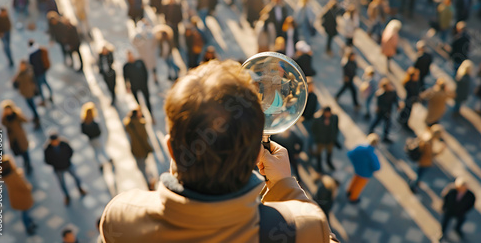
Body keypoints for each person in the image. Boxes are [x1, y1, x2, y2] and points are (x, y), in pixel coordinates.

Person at [100, 60, 337, 242]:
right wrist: (285, 188)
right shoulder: (304, 227)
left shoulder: (121, 217)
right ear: (256, 155)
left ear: (171, 148)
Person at [44, 133, 87, 206]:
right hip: (58, 169)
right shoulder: (47, 149)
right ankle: (67, 196)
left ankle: (80, 188)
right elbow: (47, 160)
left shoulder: (64, 144)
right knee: (62, 183)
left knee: (76, 177)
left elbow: (71, 151)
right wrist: (55, 163)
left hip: (68, 165)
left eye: (56, 140)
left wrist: (66, 158)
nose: (55, 142)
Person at [1, 155, 36, 235]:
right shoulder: (15, 175)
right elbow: (24, 186)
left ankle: (30, 223)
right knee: (25, 212)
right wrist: (29, 187)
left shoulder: (4, 176)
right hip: (22, 196)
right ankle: (28, 226)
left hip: (14, 197)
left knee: (24, 212)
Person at [409, 124, 445, 193]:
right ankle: (413, 185)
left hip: (420, 159)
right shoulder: (429, 142)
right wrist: (441, 150)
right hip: (424, 162)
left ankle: (415, 182)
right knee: (419, 175)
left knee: (418, 172)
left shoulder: (426, 135)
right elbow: (430, 155)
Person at [346, 133, 380, 204]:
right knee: (358, 186)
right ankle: (353, 198)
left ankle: (349, 191)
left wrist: (355, 163)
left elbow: (350, 154)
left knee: (354, 180)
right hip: (366, 173)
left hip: (357, 169)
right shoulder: (372, 155)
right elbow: (377, 167)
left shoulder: (360, 148)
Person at [0, 100, 33, 174]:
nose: (8, 111)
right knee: (20, 151)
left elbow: (25, 120)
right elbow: (3, 123)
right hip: (13, 139)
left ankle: (28, 164)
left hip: (20, 137)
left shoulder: (16, 115)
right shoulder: (5, 118)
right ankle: (25, 162)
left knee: (25, 152)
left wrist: (19, 115)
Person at [124, 107, 154, 184]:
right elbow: (145, 139)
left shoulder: (127, 124)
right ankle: (149, 181)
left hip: (134, 148)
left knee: (141, 166)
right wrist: (149, 148)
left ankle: (148, 179)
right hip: (142, 148)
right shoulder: (140, 125)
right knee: (143, 165)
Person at [81, 102, 112, 171]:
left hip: (91, 140)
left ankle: (100, 164)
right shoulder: (95, 121)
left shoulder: (83, 122)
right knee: (102, 149)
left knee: (96, 152)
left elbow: (83, 131)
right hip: (98, 138)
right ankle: (108, 159)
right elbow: (99, 131)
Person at [123, 51, 154, 118]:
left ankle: (151, 115)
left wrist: (146, 82)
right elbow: (125, 78)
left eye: (131, 56)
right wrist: (127, 87)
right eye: (129, 57)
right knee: (137, 102)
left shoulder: (140, 62)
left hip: (143, 85)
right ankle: (142, 115)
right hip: (134, 86)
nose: (130, 58)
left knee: (147, 100)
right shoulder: (126, 66)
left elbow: (146, 72)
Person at [368, 78, 399, 143]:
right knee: (377, 121)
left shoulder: (393, 92)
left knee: (387, 125)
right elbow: (380, 105)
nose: (391, 86)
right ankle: (370, 130)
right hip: (382, 112)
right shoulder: (380, 95)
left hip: (388, 111)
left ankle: (385, 136)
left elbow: (395, 100)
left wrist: (398, 106)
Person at [12, 60, 41, 129]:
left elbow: (34, 82)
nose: (21, 67)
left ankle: (37, 119)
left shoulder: (28, 73)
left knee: (32, 107)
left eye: (22, 65)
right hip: (25, 93)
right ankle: (35, 117)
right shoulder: (20, 73)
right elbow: (16, 82)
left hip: (29, 93)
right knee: (30, 106)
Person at [312, 107, 339, 172]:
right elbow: (313, 129)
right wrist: (318, 137)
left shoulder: (334, 117)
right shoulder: (317, 119)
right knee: (319, 153)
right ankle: (319, 166)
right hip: (321, 140)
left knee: (329, 152)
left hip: (330, 140)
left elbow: (336, 127)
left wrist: (334, 137)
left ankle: (328, 162)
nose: (328, 115)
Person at [132, 20, 158, 84]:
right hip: (143, 55)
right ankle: (147, 80)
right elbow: (134, 43)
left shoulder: (151, 34)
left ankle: (155, 79)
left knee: (153, 68)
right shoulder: (138, 35)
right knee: (145, 69)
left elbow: (155, 43)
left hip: (150, 54)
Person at [28, 40, 53, 106]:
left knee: (40, 88)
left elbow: (31, 65)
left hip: (37, 73)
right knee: (45, 83)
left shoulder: (31, 55)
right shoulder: (39, 50)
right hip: (43, 71)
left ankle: (43, 100)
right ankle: (51, 95)